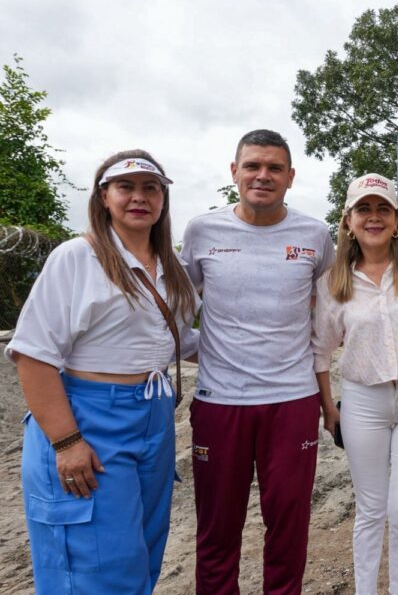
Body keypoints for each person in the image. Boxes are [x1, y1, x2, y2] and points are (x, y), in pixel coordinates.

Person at [5, 151, 199, 593]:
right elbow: (33, 355)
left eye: (150, 188)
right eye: (125, 187)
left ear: (163, 198)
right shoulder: (77, 257)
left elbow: (180, 343)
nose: (139, 197)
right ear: (103, 196)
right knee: (92, 564)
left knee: (142, 553)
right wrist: (67, 441)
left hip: (153, 418)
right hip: (88, 418)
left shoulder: (171, 268)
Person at [180, 129, 335, 594]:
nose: (262, 176)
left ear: (291, 176)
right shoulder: (202, 231)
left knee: (288, 528)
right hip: (219, 403)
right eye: (252, 166)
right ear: (235, 172)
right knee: (217, 529)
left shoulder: (315, 234)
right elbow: (177, 310)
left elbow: (328, 312)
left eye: (274, 168)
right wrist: (203, 350)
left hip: (292, 402)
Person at [312, 173, 398, 595]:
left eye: (383, 208)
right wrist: (329, 408)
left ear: (397, 219)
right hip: (363, 403)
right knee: (370, 509)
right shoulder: (335, 281)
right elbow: (321, 350)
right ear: (348, 220)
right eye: (363, 209)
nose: (374, 217)